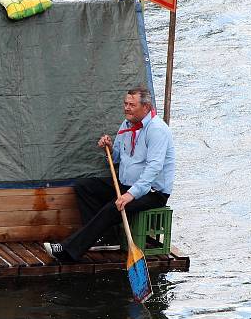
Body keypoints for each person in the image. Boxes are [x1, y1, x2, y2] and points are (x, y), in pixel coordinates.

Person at [43, 86, 174, 262]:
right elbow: (117, 158)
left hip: (151, 192)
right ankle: (104, 239)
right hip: (126, 184)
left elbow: (154, 168)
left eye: (132, 105)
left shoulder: (157, 130)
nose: (126, 108)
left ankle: (68, 252)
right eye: (125, 103)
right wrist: (109, 148)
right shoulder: (126, 124)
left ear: (146, 107)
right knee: (85, 187)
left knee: (112, 208)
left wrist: (130, 195)